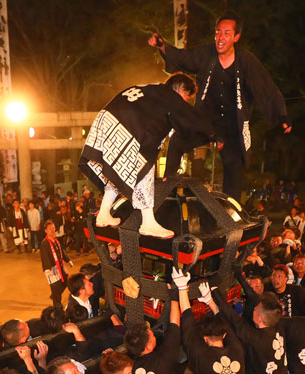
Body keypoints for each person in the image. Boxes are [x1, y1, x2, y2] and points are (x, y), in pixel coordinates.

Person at [150, 11, 290, 201]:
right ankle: (168, 185)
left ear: (236, 37)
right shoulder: (206, 54)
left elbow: (265, 86)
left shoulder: (246, 61)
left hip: (232, 123)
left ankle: (229, 210)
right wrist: (162, 45)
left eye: (226, 33)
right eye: (217, 32)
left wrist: (281, 115)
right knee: (177, 141)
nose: (220, 37)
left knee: (234, 165)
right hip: (206, 117)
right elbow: (183, 57)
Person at [79, 73, 213, 239]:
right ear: (180, 89)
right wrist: (213, 133)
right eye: (186, 97)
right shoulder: (169, 96)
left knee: (121, 171)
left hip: (106, 120)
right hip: (126, 125)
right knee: (144, 165)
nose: (184, 102)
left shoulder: (150, 90)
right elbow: (192, 120)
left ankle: (104, 213)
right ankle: (148, 222)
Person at [40, 220, 72, 308]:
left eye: (53, 228)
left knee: (66, 281)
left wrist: (68, 260)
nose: (52, 230)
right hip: (51, 269)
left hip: (59, 266)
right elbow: (44, 257)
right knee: (55, 287)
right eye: (50, 229)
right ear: (46, 230)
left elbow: (62, 251)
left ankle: (54, 296)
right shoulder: (44, 243)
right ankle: (57, 305)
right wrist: (47, 269)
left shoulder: (56, 240)